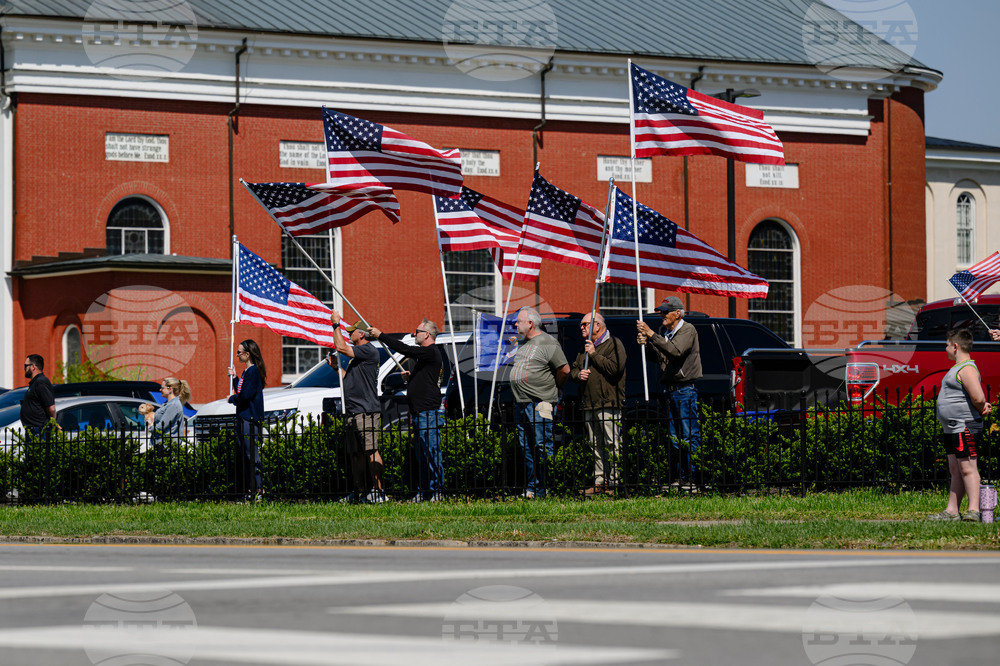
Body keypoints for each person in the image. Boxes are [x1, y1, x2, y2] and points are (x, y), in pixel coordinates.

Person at [369, 319, 445, 502]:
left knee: (431, 453)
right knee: (422, 455)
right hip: (419, 412)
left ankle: (437, 491)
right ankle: (425, 491)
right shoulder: (425, 357)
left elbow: (406, 349)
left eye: (417, 331)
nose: (414, 334)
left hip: (428, 412)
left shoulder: (430, 351)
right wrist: (411, 378)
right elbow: (426, 380)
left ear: (427, 334)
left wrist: (381, 335)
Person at [637, 296, 703, 487]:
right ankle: (679, 476)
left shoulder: (687, 330)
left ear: (678, 313)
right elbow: (659, 357)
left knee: (689, 435)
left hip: (685, 390)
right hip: (671, 391)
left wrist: (650, 334)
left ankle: (693, 477)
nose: (662, 315)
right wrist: (646, 345)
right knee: (675, 437)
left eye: (666, 312)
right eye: (661, 312)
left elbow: (676, 352)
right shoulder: (666, 333)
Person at [928, 328, 990, 522]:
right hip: (952, 428)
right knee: (956, 469)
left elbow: (978, 397)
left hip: (964, 427)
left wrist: (981, 407)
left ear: (955, 346)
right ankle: (952, 511)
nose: (945, 348)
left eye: (947, 345)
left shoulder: (967, 368)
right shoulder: (957, 368)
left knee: (968, 467)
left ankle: (974, 510)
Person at [510, 307, 570, 498]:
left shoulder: (547, 341)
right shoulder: (522, 343)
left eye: (519, 321)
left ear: (530, 323)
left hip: (540, 402)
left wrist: (555, 388)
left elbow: (564, 369)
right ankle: (533, 488)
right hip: (522, 402)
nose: (515, 324)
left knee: (542, 444)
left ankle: (549, 487)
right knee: (526, 446)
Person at [329, 311, 386, 503]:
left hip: (366, 410)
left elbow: (340, 347)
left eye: (352, 331)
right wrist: (336, 368)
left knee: (371, 450)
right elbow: (349, 379)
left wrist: (336, 325)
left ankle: (378, 492)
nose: (349, 333)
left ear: (361, 334)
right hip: (353, 410)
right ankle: (360, 491)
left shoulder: (369, 350)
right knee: (356, 454)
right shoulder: (358, 357)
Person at [571, 312, 626, 496]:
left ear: (597, 326)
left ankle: (616, 483)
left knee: (612, 443)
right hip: (589, 403)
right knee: (595, 445)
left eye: (585, 324)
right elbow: (574, 369)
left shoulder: (614, 344)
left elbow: (615, 368)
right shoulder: (585, 347)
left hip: (608, 402)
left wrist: (594, 355)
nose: (581, 327)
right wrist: (578, 374)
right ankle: (600, 481)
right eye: (581, 325)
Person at [228, 339, 266, 500]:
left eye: (239, 352)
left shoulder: (253, 371)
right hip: (243, 417)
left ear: (248, 354)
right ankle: (251, 489)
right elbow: (242, 390)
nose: (237, 355)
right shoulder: (247, 372)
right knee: (246, 455)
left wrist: (232, 399)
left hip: (249, 418)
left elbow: (246, 395)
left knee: (251, 455)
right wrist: (235, 377)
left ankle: (259, 489)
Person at [20, 354, 57, 440]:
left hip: (39, 430)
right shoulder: (35, 382)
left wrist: (53, 423)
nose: (24, 368)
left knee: (39, 449)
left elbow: (51, 408)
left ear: (33, 367)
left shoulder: (41, 382)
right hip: (33, 430)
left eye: (25, 366)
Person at [148, 377, 191, 447]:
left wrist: (150, 427)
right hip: (161, 444)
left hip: (166, 446)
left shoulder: (173, 405)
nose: (160, 390)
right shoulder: (169, 404)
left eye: (162, 388)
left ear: (170, 389)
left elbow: (162, 425)